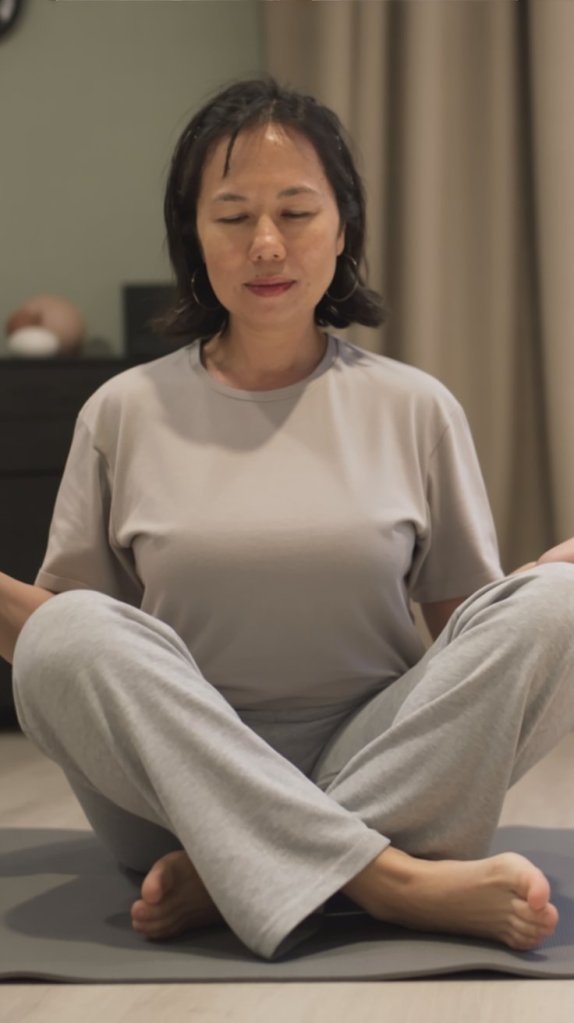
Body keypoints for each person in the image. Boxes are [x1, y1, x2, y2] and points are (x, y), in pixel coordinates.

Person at [2, 75, 574, 962]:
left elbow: (464, 640)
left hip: (385, 753)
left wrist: (539, 591)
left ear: (343, 227)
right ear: (194, 236)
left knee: (560, 603)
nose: (266, 244)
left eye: (296, 212)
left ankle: (238, 871)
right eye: (232, 216)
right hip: (172, 787)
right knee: (65, 632)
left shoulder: (415, 406)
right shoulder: (121, 410)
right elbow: (75, 648)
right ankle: (392, 879)